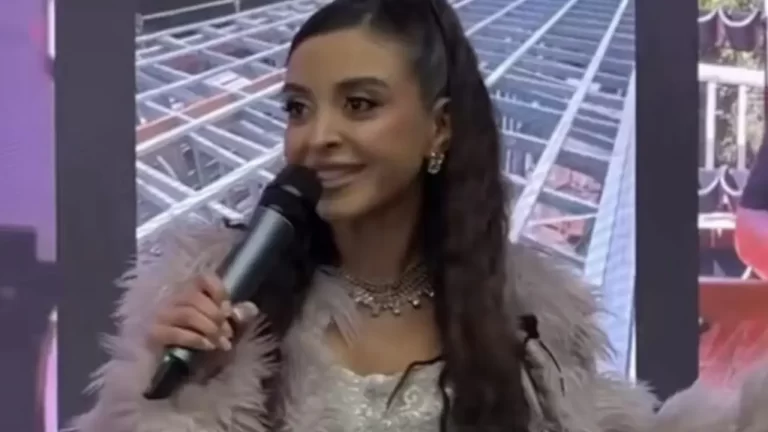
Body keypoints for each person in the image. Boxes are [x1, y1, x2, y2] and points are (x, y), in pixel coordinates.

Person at [71, 0, 768, 431]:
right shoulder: (210, 298)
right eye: (297, 108)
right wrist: (182, 397)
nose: (318, 136)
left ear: (439, 129)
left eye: (360, 104)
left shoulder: (531, 317)